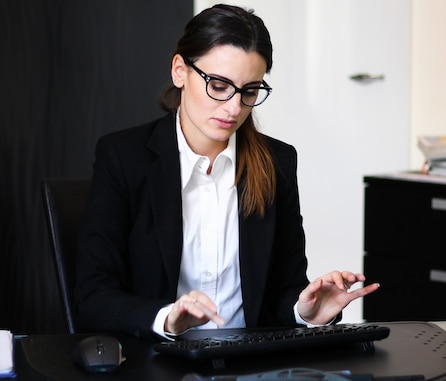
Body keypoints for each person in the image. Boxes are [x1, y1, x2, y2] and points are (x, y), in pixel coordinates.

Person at [74, 3, 379, 341]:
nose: (234, 108)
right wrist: (166, 319)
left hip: (248, 363)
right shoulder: (123, 157)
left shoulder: (277, 162)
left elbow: (282, 288)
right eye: (218, 86)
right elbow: (94, 297)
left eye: (250, 91)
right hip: (156, 359)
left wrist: (304, 312)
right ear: (180, 70)